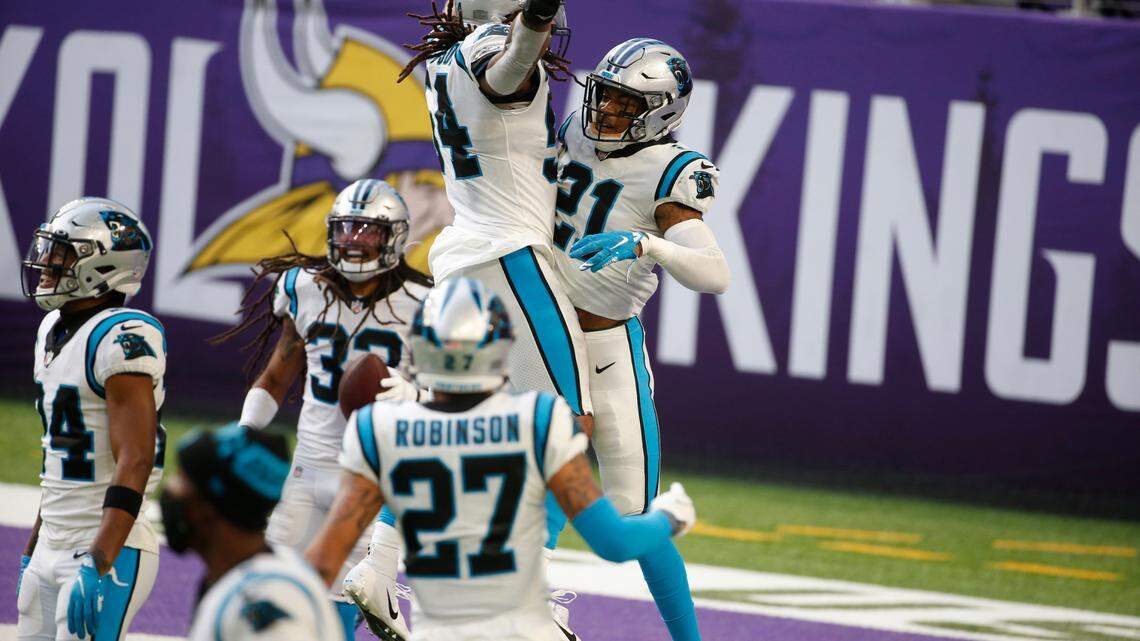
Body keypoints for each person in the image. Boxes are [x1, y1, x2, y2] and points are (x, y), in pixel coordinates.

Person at [305, 277, 696, 640]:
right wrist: (670, 517)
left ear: (422, 348)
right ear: (501, 348)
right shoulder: (542, 421)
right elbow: (615, 542)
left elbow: (323, 562)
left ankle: (379, 569)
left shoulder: (378, 429)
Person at [547, 40, 730, 641]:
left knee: (633, 515)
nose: (605, 111)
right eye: (606, 94)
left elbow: (715, 274)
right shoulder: (571, 128)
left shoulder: (671, 169)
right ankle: (543, 607)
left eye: (626, 103)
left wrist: (647, 244)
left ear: (660, 112)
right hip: (543, 335)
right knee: (537, 467)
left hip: (606, 348)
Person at [212, 179, 431, 640]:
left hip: (374, 481)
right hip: (307, 472)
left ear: (393, 238)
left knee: (330, 616)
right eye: (346, 229)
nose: (353, 241)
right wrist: (245, 432)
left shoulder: (425, 302)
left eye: (367, 231)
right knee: (273, 600)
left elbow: (450, 399)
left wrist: (415, 397)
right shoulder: (303, 288)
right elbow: (276, 376)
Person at [17, 197, 165, 641]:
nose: (46, 263)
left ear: (102, 266)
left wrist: (100, 559)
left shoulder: (123, 334)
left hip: (106, 543)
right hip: (53, 541)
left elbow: (137, 458)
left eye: (62, 253)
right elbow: (58, 460)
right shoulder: (52, 330)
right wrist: (34, 545)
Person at [160, 424, 344, 640]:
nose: (170, 490)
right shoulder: (254, 578)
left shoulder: (262, 600)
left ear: (206, 509)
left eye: (182, 480)